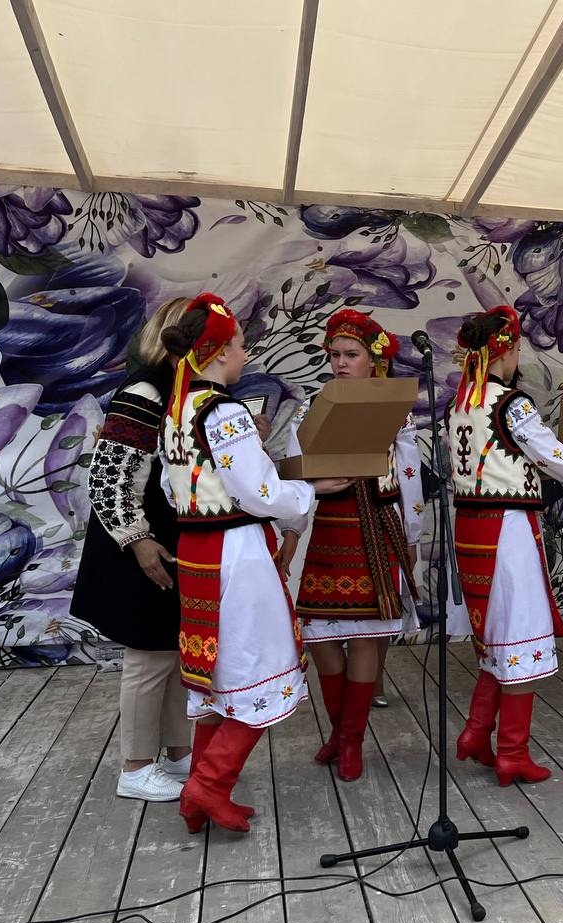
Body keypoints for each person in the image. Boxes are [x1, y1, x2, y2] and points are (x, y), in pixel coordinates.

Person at [159, 293, 350, 833]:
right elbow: (258, 491)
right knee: (259, 666)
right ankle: (209, 784)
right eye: (241, 346)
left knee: (218, 672)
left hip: (197, 553)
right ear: (219, 353)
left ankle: (199, 795)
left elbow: (175, 492)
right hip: (234, 554)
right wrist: (307, 490)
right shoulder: (223, 411)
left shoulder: (178, 412)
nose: (245, 356)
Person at [449, 306, 563, 786]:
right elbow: (558, 461)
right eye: (516, 349)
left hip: (471, 531)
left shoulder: (461, 403)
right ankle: (512, 752)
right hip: (506, 532)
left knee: (498, 637)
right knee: (520, 636)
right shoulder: (511, 404)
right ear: (505, 350)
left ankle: (475, 732)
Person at [283, 310, 424, 782]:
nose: (341, 363)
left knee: (366, 635)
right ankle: (340, 730)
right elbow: (294, 468)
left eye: (352, 355)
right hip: (326, 524)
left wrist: (412, 537)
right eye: (335, 355)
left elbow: (409, 476)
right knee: (321, 637)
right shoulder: (311, 407)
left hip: (377, 525)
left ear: (373, 360)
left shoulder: (394, 410)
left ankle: (351, 740)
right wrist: (290, 532)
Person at [73, 298, 197, 803]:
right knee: (148, 656)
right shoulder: (144, 392)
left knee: (169, 650)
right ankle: (135, 766)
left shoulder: (173, 391)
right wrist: (139, 540)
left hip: (160, 538)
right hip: (139, 542)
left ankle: (177, 751)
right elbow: (108, 475)